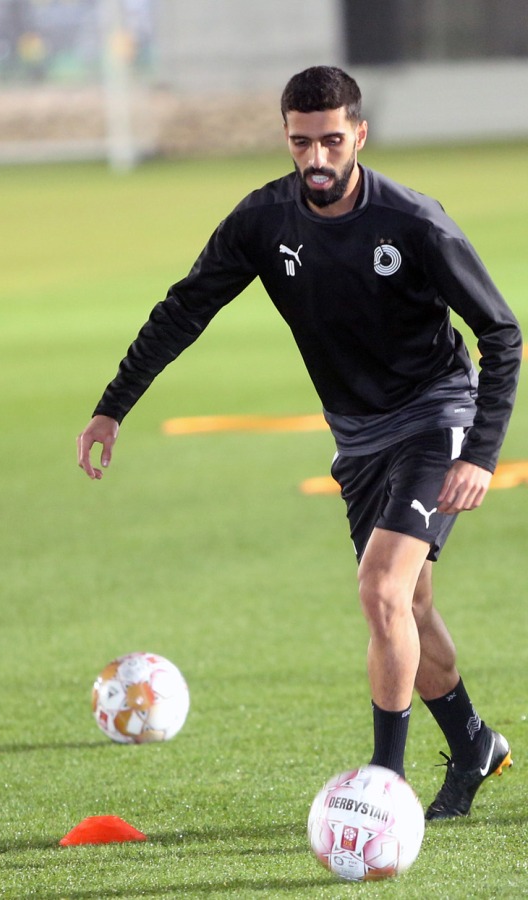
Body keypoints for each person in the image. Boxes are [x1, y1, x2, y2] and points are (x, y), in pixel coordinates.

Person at [77, 66, 518, 820]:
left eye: (332, 141)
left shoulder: (414, 222)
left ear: (360, 136)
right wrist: (113, 406)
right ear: (287, 137)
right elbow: (186, 308)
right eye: (301, 142)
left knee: (381, 591)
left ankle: (386, 786)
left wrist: (479, 453)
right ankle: (473, 742)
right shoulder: (264, 220)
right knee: (408, 604)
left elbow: (501, 333)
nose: (317, 158)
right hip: (358, 441)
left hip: (434, 414)